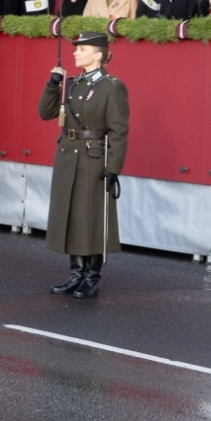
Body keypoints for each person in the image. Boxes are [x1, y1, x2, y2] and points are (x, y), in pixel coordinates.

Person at [39, 31, 129, 300]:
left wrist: (113, 167)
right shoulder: (73, 83)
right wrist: (52, 83)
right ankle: (75, 274)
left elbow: (119, 131)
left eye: (82, 49)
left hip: (93, 158)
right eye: (76, 49)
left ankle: (91, 278)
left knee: (91, 218)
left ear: (98, 55)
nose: (76, 53)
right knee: (72, 216)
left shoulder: (112, 86)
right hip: (68, 156)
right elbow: (46, 113)